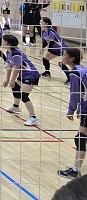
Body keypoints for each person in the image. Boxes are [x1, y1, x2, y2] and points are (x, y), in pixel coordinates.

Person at [58, 47, 87, 179]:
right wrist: (80, 106)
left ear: (72, 59)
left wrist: (71, 109)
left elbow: (75, 94)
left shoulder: (75, 73)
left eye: (64, 55)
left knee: (80, 138)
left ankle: (75, 171)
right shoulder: (82, 70)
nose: (62, 57)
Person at [2, 34, 40, 126]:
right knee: (15, 87)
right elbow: (9, 66)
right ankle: (16, 106)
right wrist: (7, 79)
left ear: (9, 43)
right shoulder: (8, 52)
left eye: (4, 41)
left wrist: (12, 80)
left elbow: (17, 67)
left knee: (24, 96)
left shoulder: (16, 53)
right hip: (23, 74)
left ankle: (33, 118)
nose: (2, 42)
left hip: (31, 74)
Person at [41, 17, 70, 82]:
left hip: (62, 48)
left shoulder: (51, 31)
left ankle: (70, 78)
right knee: (45, 59)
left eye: (42, 22)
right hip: (55, 49)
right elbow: (45, 41)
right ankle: (47, 72)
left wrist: (49, 50)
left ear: (46, 23)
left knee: (61, 63)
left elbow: (51, 41)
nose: (40, 23)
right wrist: (42, 48)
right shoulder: (44, 32)